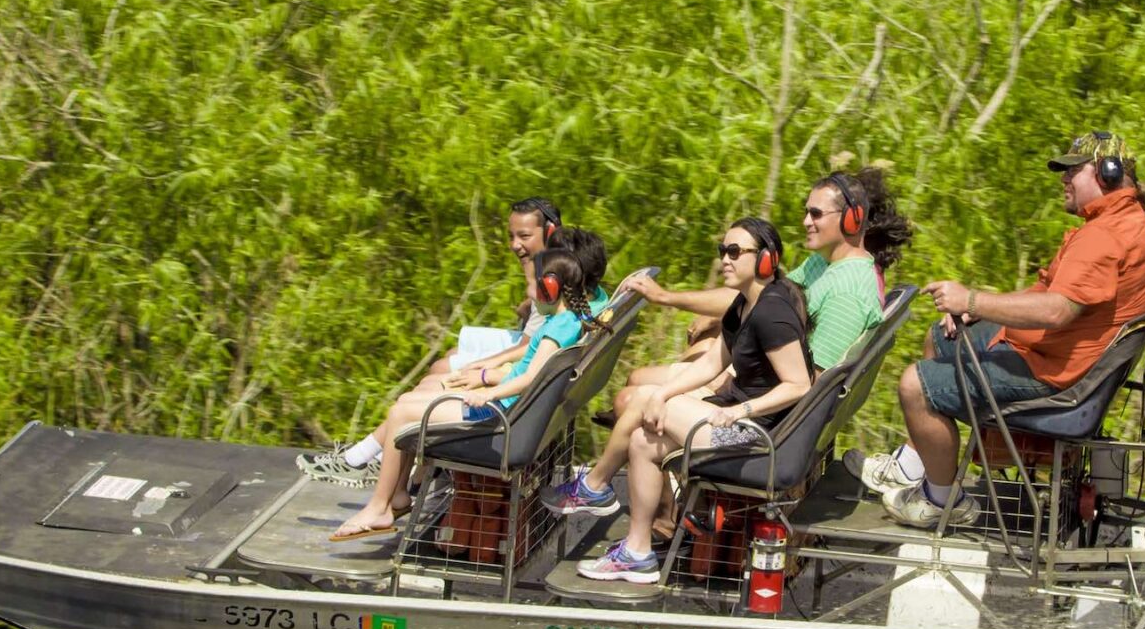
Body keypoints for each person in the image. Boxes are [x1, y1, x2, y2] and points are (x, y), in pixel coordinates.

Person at [548, 168, 911, 517]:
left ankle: (629, 502)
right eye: (806, 212)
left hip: (763, 427)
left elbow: (810, 388)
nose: (805, 221)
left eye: (815, 213)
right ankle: (644, 525)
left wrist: (734, 403)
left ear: (852, 219)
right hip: (757, 389)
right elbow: (764, 299)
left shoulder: (846, 293)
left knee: (636, 402)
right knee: (644, 389)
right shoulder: (825, 265)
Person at [873, 132, 1145, 529]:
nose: (1063, 180)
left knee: (914, 386)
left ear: (1106, 174)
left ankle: (941, 501)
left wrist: (971, 301)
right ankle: (914, 462)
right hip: (1056, 357)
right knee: (940, 338)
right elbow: (1051, 292)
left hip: (1057, 378)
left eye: (1072, 171)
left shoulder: (1105, 236)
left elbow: (1057, 310)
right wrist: (981, 308)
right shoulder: (1128, 222)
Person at [328, 232, 608, 542]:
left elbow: (533, 377)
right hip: (510, 410)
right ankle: (394, 498)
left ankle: (379, 507)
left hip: (497, 416)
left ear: (549, 289)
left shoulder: (558, 328)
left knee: (400, 414)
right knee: (411, 402)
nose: (528, 296)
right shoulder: (571, 320)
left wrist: (487, 391)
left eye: (532, 287)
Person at [575, 219, 812, 582]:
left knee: (641, 397)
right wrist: (668, 393)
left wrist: (739, 411)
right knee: (643, 440)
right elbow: (712, 363)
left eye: (735, 252)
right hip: (736, 423)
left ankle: (593, 486)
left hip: (755, 437)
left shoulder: (773, 312)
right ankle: (637, 552)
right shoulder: (742, 305)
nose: (725, 260)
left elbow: (798, 385)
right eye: (723, 252)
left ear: (766, 259)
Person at [299, 196, 566, 483]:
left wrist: (484, 369)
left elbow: (531, 346)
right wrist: (528, 308)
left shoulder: (552, 273)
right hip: (531, 347)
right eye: (511, 236)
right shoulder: (547, 265)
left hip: (525, 367)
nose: (515, 245)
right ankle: (382, 456)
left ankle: (371, 457)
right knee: (446, 359)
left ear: (550, 231)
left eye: (524, 236)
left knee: (439, 374)